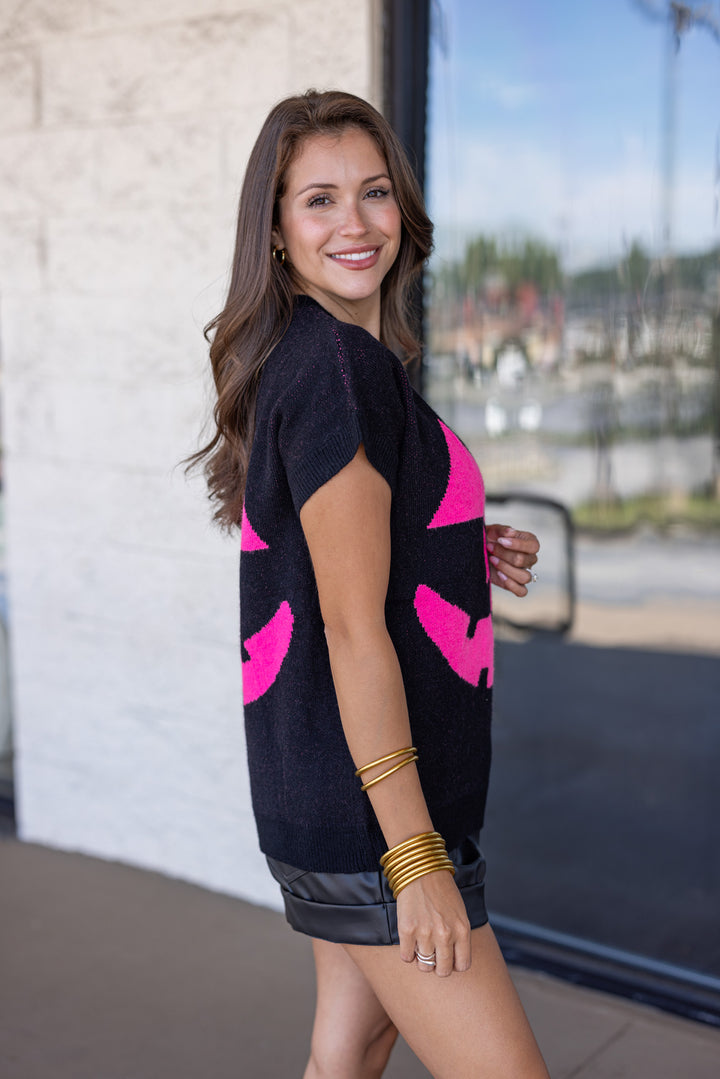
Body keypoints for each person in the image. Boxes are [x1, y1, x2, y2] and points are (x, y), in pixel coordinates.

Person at [192, 89, 548, 1079]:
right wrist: (416, 859)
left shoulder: (321, 360)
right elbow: (352, 631)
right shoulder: (339, 371)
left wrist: (455, 547)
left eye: (375, 192)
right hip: (378, 822)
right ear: (275, 230)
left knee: (350, 1048)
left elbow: (333, 563)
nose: (355, 221)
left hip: (330, 796)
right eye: (319, 199)